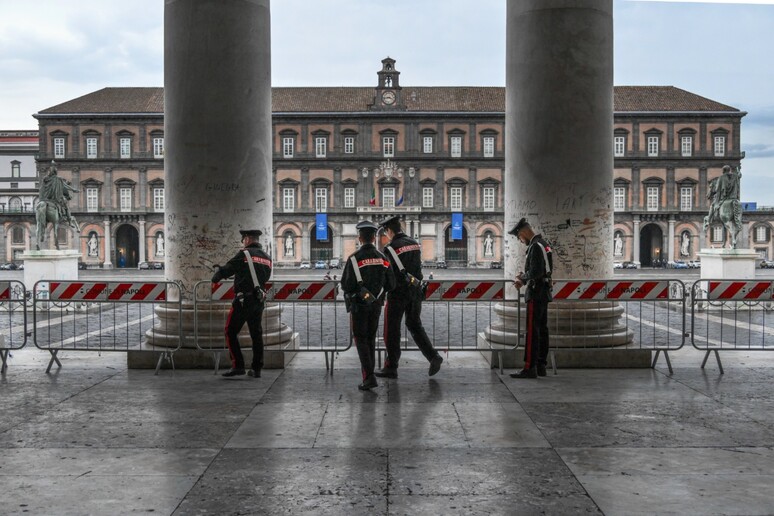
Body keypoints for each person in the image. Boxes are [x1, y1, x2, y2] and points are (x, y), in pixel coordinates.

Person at [376, 215, 443, 379]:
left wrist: (382, 293)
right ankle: (433, 356)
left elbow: (389, 275)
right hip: (415, 291)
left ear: (389, 230)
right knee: (414, 325)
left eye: (386, 232)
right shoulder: (414, 244)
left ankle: (391, 366)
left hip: (398, 294)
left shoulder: (390, 248)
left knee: (391, 330)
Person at [341, 220, 395, 390]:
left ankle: (369, 377)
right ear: (373, 237)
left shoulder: (354, 259)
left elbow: (346, 285)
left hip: (359, 306)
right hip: (376, 306)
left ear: (360, 238)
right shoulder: (383, 258)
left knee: (361, 339)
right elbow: (391, 284)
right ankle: (369, 375)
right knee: (370, 338)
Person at [211, 229, 272, 378]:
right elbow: (266, 277)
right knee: (256, 334)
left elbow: (228, 269)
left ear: (247, 239)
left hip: (244, 301)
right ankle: (256, 368)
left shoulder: (244, 254)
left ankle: (238, 365)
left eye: (243, 239)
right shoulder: (267, 258)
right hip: (259, 300)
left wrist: (216, 276)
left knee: (230, 331)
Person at [509, 218, 553, 379]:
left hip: (536, 292)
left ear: (523, 232)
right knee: (542, 330)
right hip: (544, 292)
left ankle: (529, 367)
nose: (521, 241)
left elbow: (536, 272)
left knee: (532, 332)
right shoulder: (544, 244)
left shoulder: (535, 246)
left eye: (519, 237)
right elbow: (546, 269)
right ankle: (541, 365)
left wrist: (522, 278)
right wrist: (526, 276)